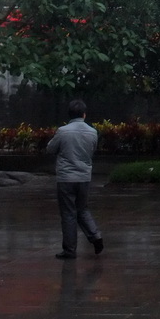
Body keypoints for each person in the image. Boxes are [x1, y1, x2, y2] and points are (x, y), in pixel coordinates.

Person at [46, 99, 103, 259]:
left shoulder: (63, 131)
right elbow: (93, 150)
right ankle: (95, 236)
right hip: (84, 176)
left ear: (69, 115)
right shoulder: (92, 132)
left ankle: (70, 250)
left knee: (68, 213)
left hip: (66, 178)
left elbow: (50, 149)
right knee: (82, 209)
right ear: (84, 114)